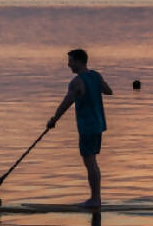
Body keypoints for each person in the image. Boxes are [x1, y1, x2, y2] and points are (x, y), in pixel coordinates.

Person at [47, 48, 113, 207]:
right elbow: (108, 91)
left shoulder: (76, 82)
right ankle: (96, 198)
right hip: (98, 125)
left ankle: (95, 199)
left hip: (88, 127)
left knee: (90, 162)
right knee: (92, 161)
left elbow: (65, 104)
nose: (68, 65)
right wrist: (98, 85)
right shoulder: (95, 76)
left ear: (78, 61)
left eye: (70, 61)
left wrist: (54, 120)